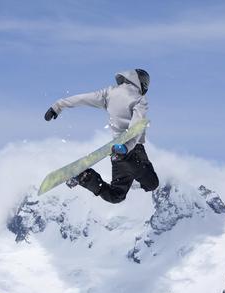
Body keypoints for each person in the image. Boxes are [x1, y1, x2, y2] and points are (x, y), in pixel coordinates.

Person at [44, 69, 159, 204]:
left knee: (116, 196)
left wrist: (58, 106)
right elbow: (136, 126)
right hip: (132, 151)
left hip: (117, 154)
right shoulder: (140, 99)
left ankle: (85, 177)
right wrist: (126, 147)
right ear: (140, 81)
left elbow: (83, 98)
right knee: (152, 184)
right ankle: (90, 178)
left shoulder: (109, 92)